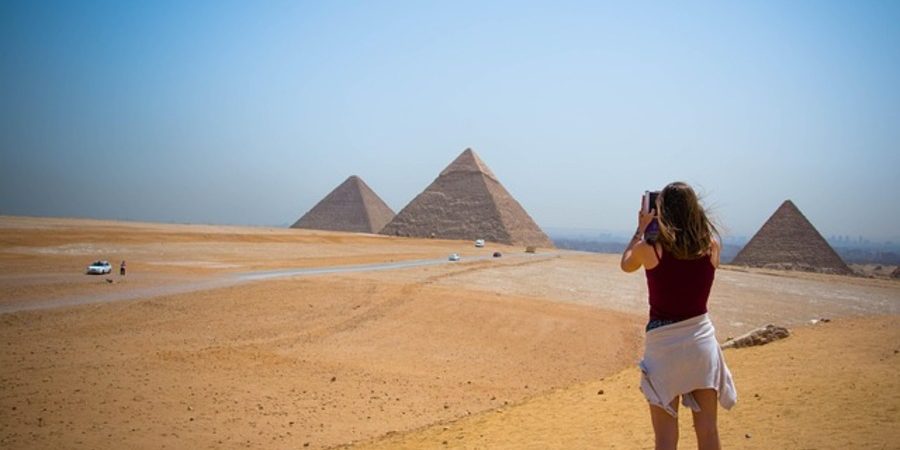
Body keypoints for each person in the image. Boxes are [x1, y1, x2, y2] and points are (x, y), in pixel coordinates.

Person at [620, 182, 736, 450]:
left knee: (666, 439)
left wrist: (641, 228)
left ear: (662, 211)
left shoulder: (650, 250)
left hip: (664, 349)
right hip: (701, 344)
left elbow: (626, 264)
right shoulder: (712, 247)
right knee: (708, 432)